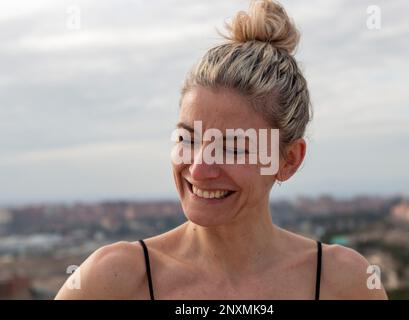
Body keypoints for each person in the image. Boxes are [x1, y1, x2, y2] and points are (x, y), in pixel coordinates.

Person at [55, 0, 388, 300]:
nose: (199, 169)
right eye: (188, 139)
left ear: (288, 160)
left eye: (232, 148)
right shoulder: (114, 280)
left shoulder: (344, 283)